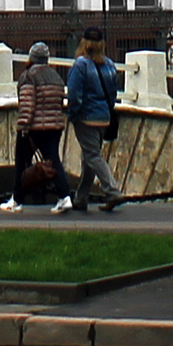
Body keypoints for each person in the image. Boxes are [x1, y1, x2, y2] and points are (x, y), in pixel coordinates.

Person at [0, 41, 66, 213]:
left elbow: (28, 105)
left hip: (35, 128)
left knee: (22, 163)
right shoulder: (56, 77)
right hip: (55, 126)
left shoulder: (28, 76)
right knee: (54, 161)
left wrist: (23, 127)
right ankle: (64, 197)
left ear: (31, 58)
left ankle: (17, 200)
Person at [64, 29, 125, 213]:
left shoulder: (80, 65)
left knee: (92, 156)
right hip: (104, 117)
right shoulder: (110, 65)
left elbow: (74, 95)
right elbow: (114, 93)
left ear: (83, 44)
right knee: (89, 156)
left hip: (86, 118)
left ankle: (113, 191)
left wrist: (73, 115)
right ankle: (81, 198)